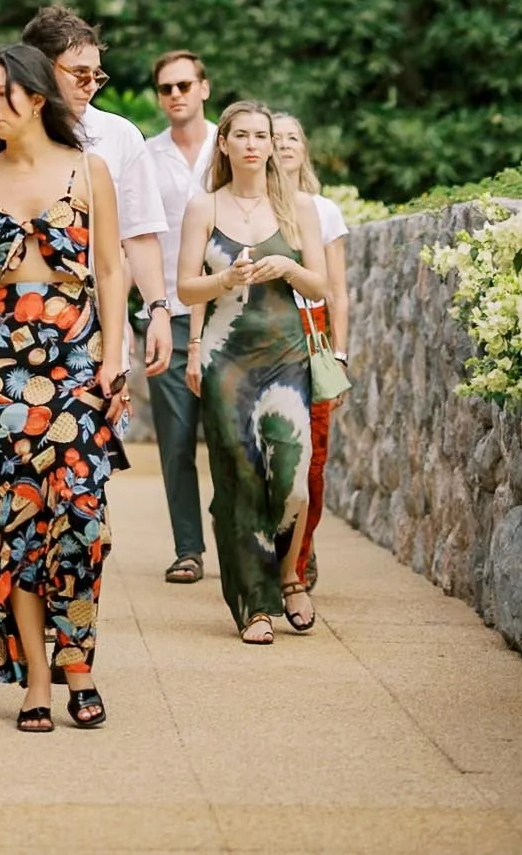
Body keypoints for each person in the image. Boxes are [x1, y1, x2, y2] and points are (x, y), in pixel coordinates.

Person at [0, 43, 127, 733]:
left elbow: (111, 269)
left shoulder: (88, 170)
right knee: (10, 523)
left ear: (35, 98)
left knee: (80, 519)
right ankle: (36, 682)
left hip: (76, 355)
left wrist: (115, 354)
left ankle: (81, 665)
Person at [0, 5, 172, 381]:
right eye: (80, 74)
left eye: (96, 75)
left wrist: (159, 310)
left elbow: (139, 235)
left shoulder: (120, 137)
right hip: (2, 330)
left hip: (96, 325)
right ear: (39, 70)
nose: (91, 85)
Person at [179, 97, 328, 645]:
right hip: (228, 361)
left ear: (271, 145)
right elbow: (184, 287)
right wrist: (224, 281)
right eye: (239, 135)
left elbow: (321, 286)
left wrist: (288, 265)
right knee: (240, 480)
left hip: (286, 355)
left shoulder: (298, 207)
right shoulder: (204, 207)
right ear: (223, 143)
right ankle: (254, 606)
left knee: (292, 484)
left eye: (259, 136)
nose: (250, 144)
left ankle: (289, 576)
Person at [272, 111, 350, 622]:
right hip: (270, 343)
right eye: (274, 139)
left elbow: (338, 291)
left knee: (314, 466)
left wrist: (339, 354)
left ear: (305, 148)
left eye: (292, 138)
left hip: (315, 340)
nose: (283, 147)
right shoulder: (250, 209)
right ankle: (277, 566)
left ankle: (300, 553)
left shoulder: (323, 210)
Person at [143, 48, 216, 583]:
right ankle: (188, 548)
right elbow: (135, 238)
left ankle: (241, 537)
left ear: (204, 88)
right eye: (166, 88)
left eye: (184, 85)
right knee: (175, 442)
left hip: (231, 315)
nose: (175, 95)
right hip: (171, 313)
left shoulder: (233, 145)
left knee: (236, 441)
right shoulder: (146, 157)